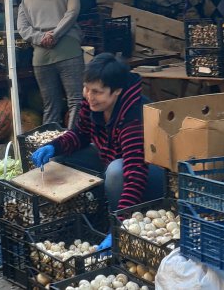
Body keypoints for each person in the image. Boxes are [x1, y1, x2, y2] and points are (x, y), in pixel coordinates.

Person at [30, 54, 164, 250]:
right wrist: (54, 146)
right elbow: (80, 134)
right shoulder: (93, 103)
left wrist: (120, 225)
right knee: (62, 156)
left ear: (117, 91)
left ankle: (122, 221)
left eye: (97, 92)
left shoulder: (134, 116)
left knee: (116, 171)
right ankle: (80, 214)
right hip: (109, 159)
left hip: (148, 175)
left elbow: (135, 173)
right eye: (86, 88)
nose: (89, 96)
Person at [18, 0, 84, 127]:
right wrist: (56, 34)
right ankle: (73, 141)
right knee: (76, 101)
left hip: (40, 57)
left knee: (50, 106)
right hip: (69, 51)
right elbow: (72, 13)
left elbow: (23, 28)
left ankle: (49, 148)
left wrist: (41, 38)